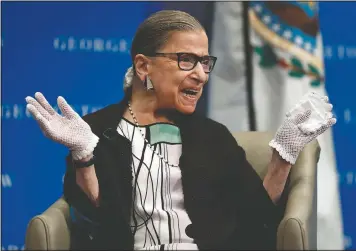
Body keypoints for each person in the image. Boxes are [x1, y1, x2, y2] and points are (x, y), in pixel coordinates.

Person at [25, 10, 335, 250]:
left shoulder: (213, 137)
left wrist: (284, 153)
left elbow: (255, 221)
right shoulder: (97, 130)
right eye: (187, 61)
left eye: (205, 62)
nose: (201, 75)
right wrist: (83, 155)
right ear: (144, 66)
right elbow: (96, 214)